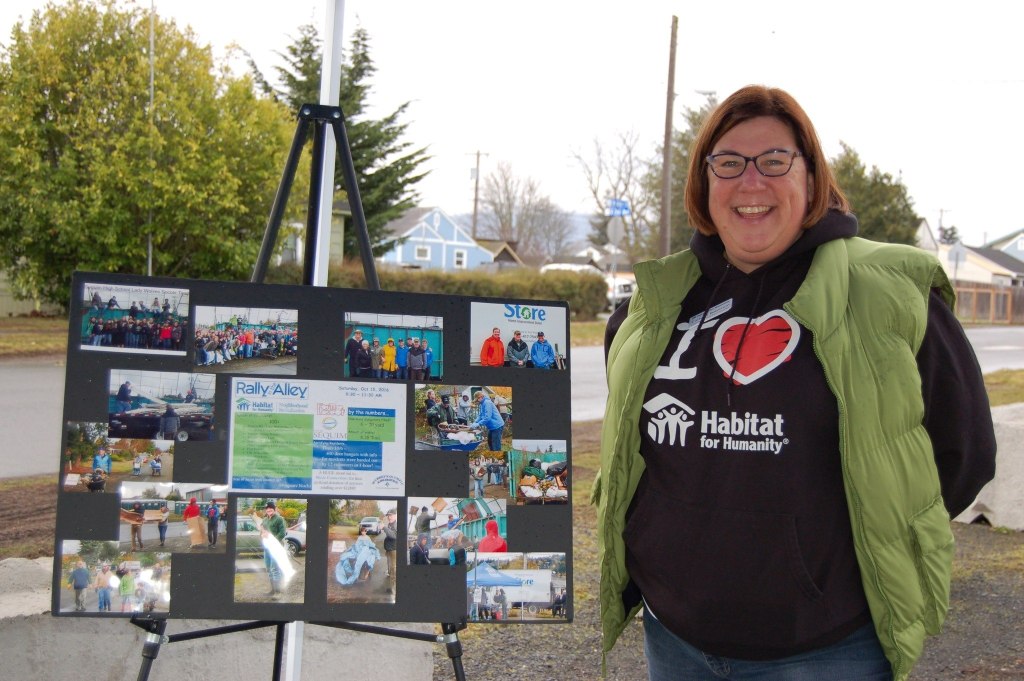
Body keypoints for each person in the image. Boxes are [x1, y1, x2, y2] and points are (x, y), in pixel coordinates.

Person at [594, 85, 997, 681]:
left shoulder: (889, 296)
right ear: (704, 183)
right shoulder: (653, 306)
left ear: (811, 177)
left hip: (827, 650)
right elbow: (635, 458)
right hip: (674, 640)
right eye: (728, 163)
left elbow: (963, 456)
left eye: (775, 160)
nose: (751, 181)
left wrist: (836, 564)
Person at [260, 501, 288, 599]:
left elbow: (282, 533)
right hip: (267, 548)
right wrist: (262, 535)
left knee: (275, 569)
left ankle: (278, 592)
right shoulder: (265, 520)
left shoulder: (280, 519)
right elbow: (262, 531)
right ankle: (273, 590)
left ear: (274, 509)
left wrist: (272, 541)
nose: (268, 510)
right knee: (269, 569)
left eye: (270, 508)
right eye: (267, 508)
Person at [382, 508, 398, 593]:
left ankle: (394, 590)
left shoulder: (396, 524)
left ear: (395, 515)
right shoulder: (390, 524)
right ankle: (392, 587)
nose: (389, 517)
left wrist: (384, 527)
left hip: (393, 550)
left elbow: (394, 535)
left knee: (393, 570)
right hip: (389, 550)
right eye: (388, 515)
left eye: (391, 515)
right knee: (390, 569)